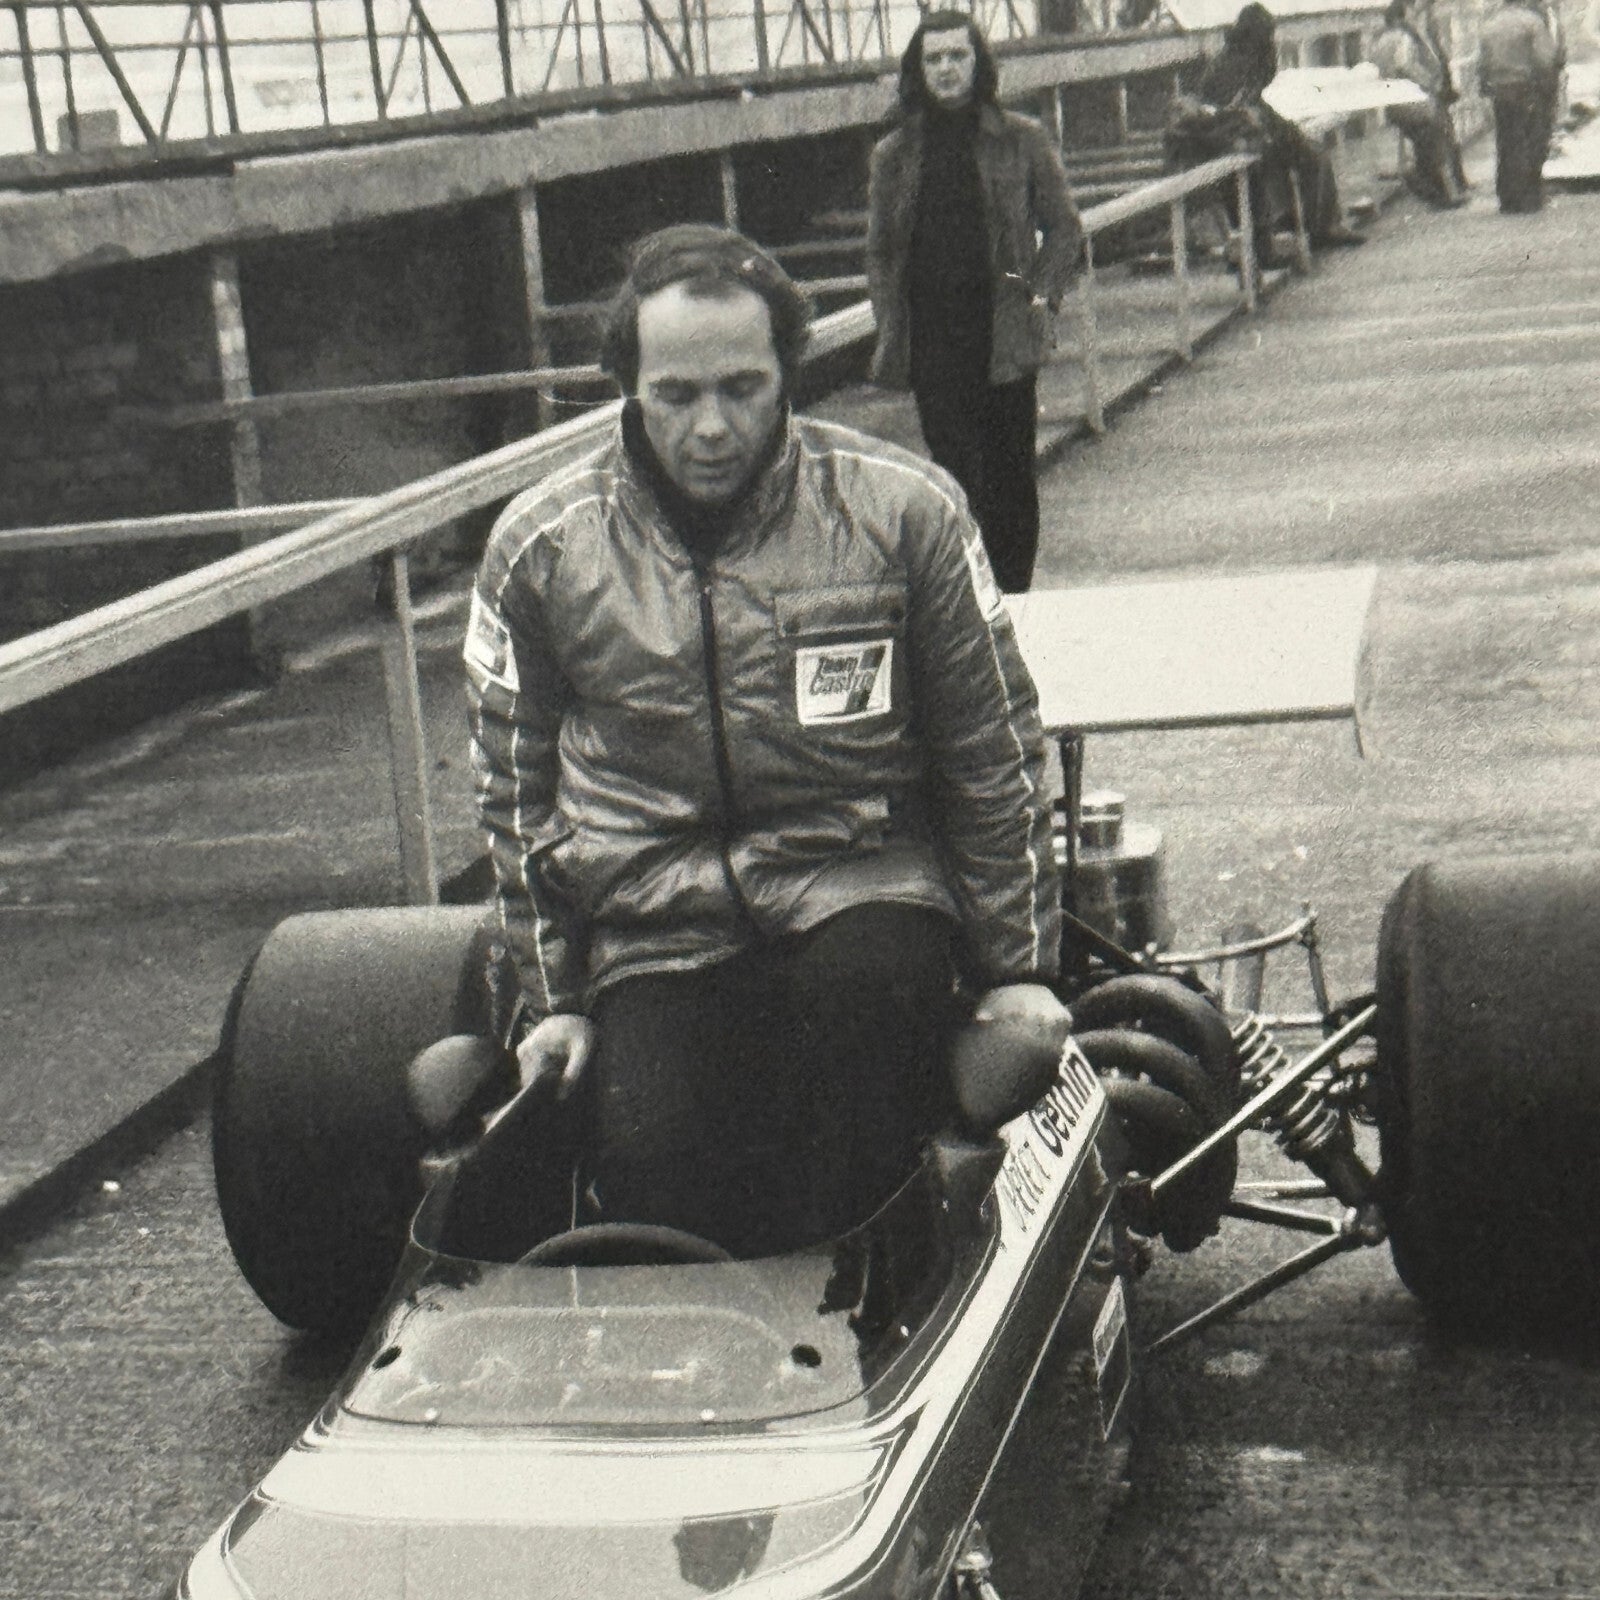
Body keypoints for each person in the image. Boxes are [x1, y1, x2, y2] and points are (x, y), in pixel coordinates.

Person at [466, 224, 1067, 1259]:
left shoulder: (904, 513)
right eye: (676, 394)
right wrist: (551, 1003)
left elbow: (990, 747)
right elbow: (512, 790)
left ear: (791, 371)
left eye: (742, 388)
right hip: (656, 920)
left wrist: (1020, 967)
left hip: (858, 884)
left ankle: (886, 1304)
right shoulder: (541, 547)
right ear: (627, 386)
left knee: (863, 1084)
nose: (711, 427)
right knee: (651, 1170)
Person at [865, 11, 1081, 595]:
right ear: (918, 69)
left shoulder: (1022, 139)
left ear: (978, 62)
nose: (945, 69)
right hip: (935, 340)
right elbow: (882, 253)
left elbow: (1065, 230)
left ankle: (1015, 596)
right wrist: (892, 323)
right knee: (955, 476)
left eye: (956, 56)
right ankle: (976, 602)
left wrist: (1042, 297)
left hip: (1004, 333)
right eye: (933, 59)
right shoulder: (894, 155)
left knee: (1012, 473)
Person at [1167, 3, 1367, 266]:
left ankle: (1320, 225)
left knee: (1315, 155)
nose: (1270, 40)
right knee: (1262, 173)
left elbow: (1260, 92)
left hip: (1258, 122)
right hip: (1234, 133)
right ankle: (1298, 231)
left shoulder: (1254, 56)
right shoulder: (1229, 63)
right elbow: (1229, 109)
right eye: (1267, 35)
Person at [1371, 0, 1468, 208]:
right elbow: (1405, 64)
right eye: (1410, 12)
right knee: (1432, 145)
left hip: (1393, 104)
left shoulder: (1380, 40)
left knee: (1423, 144)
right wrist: (1429, 83)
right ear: (1401, 16)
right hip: (1413, 101)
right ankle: (1439, 194)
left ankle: (1434, 189)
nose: (1413, 16)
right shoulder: (1404, 37)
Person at [1478, 0, 1563, 212]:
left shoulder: (1490, 24)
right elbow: (1545, 59)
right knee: (1530, 141)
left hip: (1500, 90)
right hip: (1527, 89)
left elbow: (1482, 63)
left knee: (1507, 143)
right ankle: (1529, 198)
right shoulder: (1531, 22)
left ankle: (1507, 199)